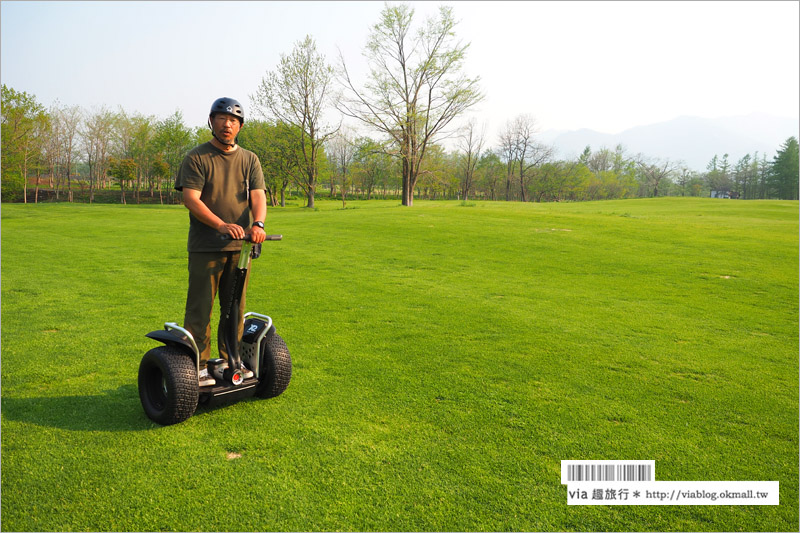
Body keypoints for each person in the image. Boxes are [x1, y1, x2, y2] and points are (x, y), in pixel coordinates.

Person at [174, 97, 267, 385]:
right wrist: (221, 225)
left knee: (235, 307)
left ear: (240, 126)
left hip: (241, 249)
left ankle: (231, 360)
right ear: (212, 122)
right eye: (222, 119)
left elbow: (258, 196)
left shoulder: (249, 159)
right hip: (206, 246)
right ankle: (199, 365)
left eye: (234, 121)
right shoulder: (197, 157)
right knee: (201, 308)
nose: (228, 125)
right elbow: (191, 199)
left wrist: (259, 224)